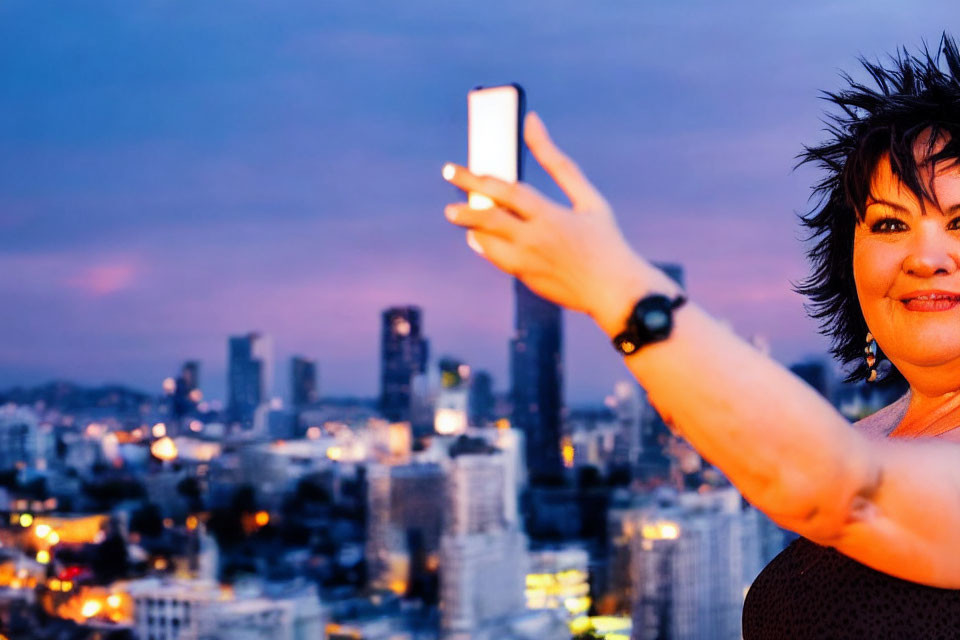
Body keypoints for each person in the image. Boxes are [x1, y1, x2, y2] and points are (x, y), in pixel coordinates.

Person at [441, 33, 960, 637]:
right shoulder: (865, 435)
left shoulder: (842, 463)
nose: (926, 257)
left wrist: (613, 285)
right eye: (891, 223)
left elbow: (843, 489)